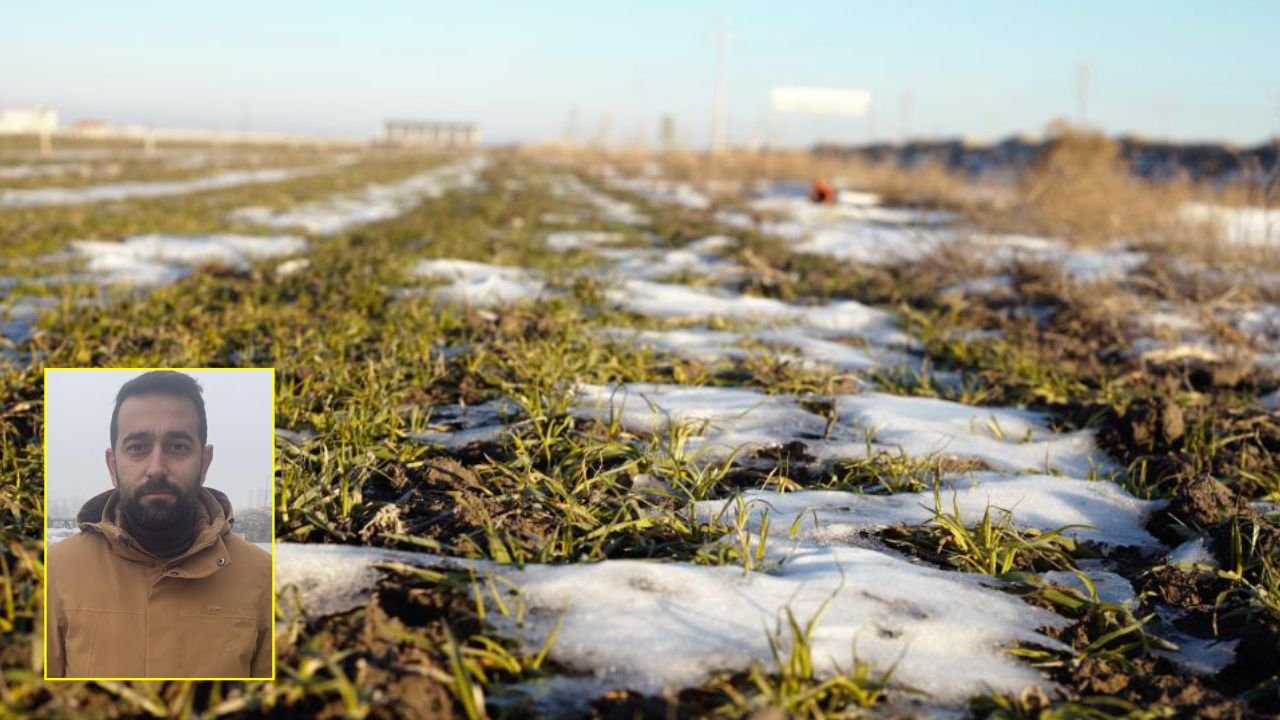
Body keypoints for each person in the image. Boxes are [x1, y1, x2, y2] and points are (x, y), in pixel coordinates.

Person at [46, 371, 272, 678]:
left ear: (204, 462)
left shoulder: (262, 578)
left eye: (177, 447)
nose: (156, 468)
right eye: (137, 447)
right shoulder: (56, 572)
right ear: (112, 465)